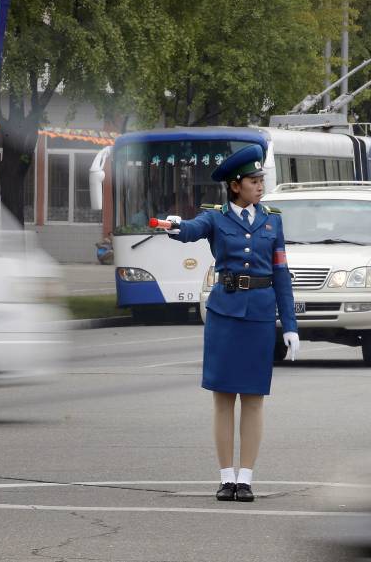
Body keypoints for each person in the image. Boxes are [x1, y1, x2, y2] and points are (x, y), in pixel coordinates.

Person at [162, 144, 299, 502]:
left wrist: (290, 325)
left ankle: (247, 478)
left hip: (258, 316)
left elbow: (282, 274)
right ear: (236, 185)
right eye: (254, 180)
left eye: (261, 179)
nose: (260, 185)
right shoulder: (216, 218)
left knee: (253, 398)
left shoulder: (273, 220)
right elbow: (190, 230)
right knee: (223, 398)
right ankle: (226, 478)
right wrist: (175, 227)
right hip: (224, 316)